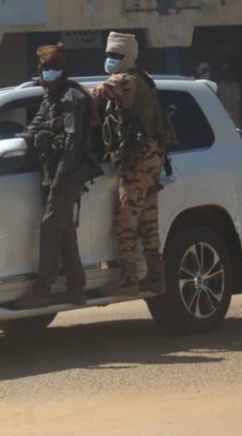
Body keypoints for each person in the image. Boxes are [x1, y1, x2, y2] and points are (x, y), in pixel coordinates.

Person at [13, 43, 102, 309]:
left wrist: (61, 173)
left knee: (50, 227)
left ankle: (43, 289)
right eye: (45, 68)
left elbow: (73, 139)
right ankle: (76, 288)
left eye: (54, 67)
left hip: (68, 172)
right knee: (64, 231)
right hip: (51, 170)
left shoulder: (71, 97)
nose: (49, 72)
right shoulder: (49, 97)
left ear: (64, 69)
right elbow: (32, 131)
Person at [89, 31, 174, 295]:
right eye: (109, 55)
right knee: (148, 218)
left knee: (125, 221)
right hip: (154, 155)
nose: (110, 59)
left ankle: (128, 278)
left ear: (127, 57)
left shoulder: (123, 80)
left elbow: (91, 97)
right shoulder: (144, 78)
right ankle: (156, 276)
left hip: (138, 158)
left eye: (115, 55)